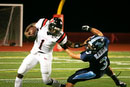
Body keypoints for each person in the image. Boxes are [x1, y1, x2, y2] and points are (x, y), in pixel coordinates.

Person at [14, 17, 83, 87]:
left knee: (46, 81)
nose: (55, 31)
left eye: (57, 30)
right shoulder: (43, 23)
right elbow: (33, 25)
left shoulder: (60, 36)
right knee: (20, 73)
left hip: (45, 56)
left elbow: (70, 44)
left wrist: (83, 44)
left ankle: (61, 86)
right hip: (34, 53)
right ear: (50, 25)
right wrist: (27, 31)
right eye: (54, 29)